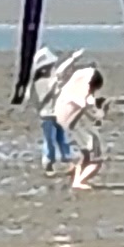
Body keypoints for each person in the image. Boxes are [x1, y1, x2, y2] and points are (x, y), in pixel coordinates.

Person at [50, 56, 106, 189]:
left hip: (61, 125)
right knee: (95, 159)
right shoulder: (84, 99)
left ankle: (75, 174)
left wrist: (73, 58)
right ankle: (79, 181)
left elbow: (59, 73)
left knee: (84, 154)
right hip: (73, 128)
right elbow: (97, 117)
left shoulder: (68, 89)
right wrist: (101, 109)